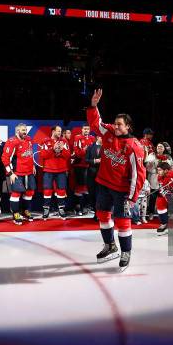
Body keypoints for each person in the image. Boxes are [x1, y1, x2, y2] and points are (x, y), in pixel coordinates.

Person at [87, 88, 146, 271]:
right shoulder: (109, 132)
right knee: (103, 216)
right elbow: (96, 124)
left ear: (128, 126)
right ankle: (110, 246)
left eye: (120, 124)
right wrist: (93, 105)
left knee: (122, 222)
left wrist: (132, 198)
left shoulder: (134, 146)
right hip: (103, 184)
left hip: (121, 190)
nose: (116, 126)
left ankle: (126, 252)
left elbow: (139, 175)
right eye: (115, 123)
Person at [1, 123, 37, 225]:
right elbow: (5, 158)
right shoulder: (12, 142)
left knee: (29, 192)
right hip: (17, 173)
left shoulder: (29, 139)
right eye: (22, 130)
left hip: (29, 172)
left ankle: (25, 211)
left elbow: (29, 154)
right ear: (17, 131)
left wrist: (33, 165)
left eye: (25, 130)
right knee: (16, 193)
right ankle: (16, 213)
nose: (24, 132)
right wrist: (10, 173)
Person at [39, 125, 71, 219]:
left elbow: (68, 155)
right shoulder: (45, 141)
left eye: (60, 131)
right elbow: (43, 155)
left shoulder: (64, 141)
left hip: (61, 170)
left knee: (61, 190)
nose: (60, 133)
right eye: (58, 131)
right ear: (53, 131)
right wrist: (52, 149)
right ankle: (46, 209)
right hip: (48, 170)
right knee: (47, 190)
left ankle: (61, 209)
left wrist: (62, 150)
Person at [71, 124, 95, 215]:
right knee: (79, 187)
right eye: (85, 129)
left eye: (88, 129)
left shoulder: (92, 138)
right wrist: (85, 150)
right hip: (80, 166)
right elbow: (77, 153)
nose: (86, 130)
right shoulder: (77, 138)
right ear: (82, 129)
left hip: (90, 166)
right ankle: (78, 207)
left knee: (88, 188)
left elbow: (94, 152)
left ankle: (86, 206)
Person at [85, 135, 102, 221]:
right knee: (92, 194)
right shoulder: (90, 147)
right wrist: (95, 161)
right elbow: (86, 160)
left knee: (101, 194)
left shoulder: (106, 147)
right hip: (91, 174)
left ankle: (101, 213)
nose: (102, 138)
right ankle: (96, 212)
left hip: (102, 175)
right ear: (97, 137)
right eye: (101, 137)